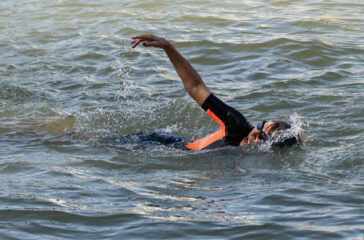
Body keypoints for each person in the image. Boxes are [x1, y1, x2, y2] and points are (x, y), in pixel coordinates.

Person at [130, 34, 298, 150]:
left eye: (262, 136)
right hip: (159, 145)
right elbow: (196, 87)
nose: (255, 131)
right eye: (260, 125)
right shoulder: (236, 125)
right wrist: (168, 47)